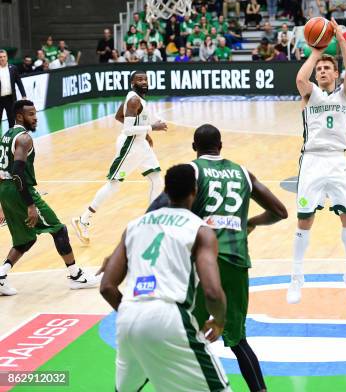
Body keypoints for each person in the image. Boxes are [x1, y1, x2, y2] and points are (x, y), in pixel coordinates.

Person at [140, 124, 288, 392]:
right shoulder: (243, 172)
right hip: (236, 260)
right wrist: (248, 223)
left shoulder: (192, 171)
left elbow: (157, 209)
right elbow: (279, 211)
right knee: (238, 339)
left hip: (200, 263)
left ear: (194, 148)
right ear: (221, 145)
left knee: (179, 334)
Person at [100, 164, 231, 392]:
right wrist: (219, 320)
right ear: (195, 191)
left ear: (166, 191)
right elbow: (212, 291)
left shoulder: (133, 226)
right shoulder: (200, 230)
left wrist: (134, 312)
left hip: (128, 316)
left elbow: (107, 287)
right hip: (168, 316)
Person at [288, 18, 346, 304]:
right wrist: (316, 50)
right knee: (305, 220)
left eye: (326, 68)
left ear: (335, 73)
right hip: (312, 161)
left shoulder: (345, 94)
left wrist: (340, 40)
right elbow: (299, 79)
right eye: (319, 69)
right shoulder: (310, 94)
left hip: (338, 161)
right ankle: (296, 279)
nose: (321, 71)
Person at [0, 100, 99, 295]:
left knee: (25, 239)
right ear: (19, 116)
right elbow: (18, 173)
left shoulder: (6, 135)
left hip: (5, 190)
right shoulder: (24, 138)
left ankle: (1, 277)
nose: (35, 117)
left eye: (35, 113)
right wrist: (30, 205)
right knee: (58, 229)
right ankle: (76, 275)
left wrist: (2, 204)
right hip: (20, 191)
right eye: (30, 114)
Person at [72, 71, 167, 245]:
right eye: (139, 79)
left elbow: (119, 116)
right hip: (130, 146)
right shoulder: (133, 100)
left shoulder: (137, 98)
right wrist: (151, 128)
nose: (144, 81)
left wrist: (145, 134)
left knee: (156, 179)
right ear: (132, 83)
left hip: (141, 145)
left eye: (145, 79)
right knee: (114, 185)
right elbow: (128, 130)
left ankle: (151, 222)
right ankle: (83, 219)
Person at [0, 49, 26, 130]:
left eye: (4, 56)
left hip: (10, 98)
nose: (2, 58)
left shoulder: (13, 68)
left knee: (11, 119)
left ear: (7, 57)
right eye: (0, 57)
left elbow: (19, 82)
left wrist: (23, 95)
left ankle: (11, 139)